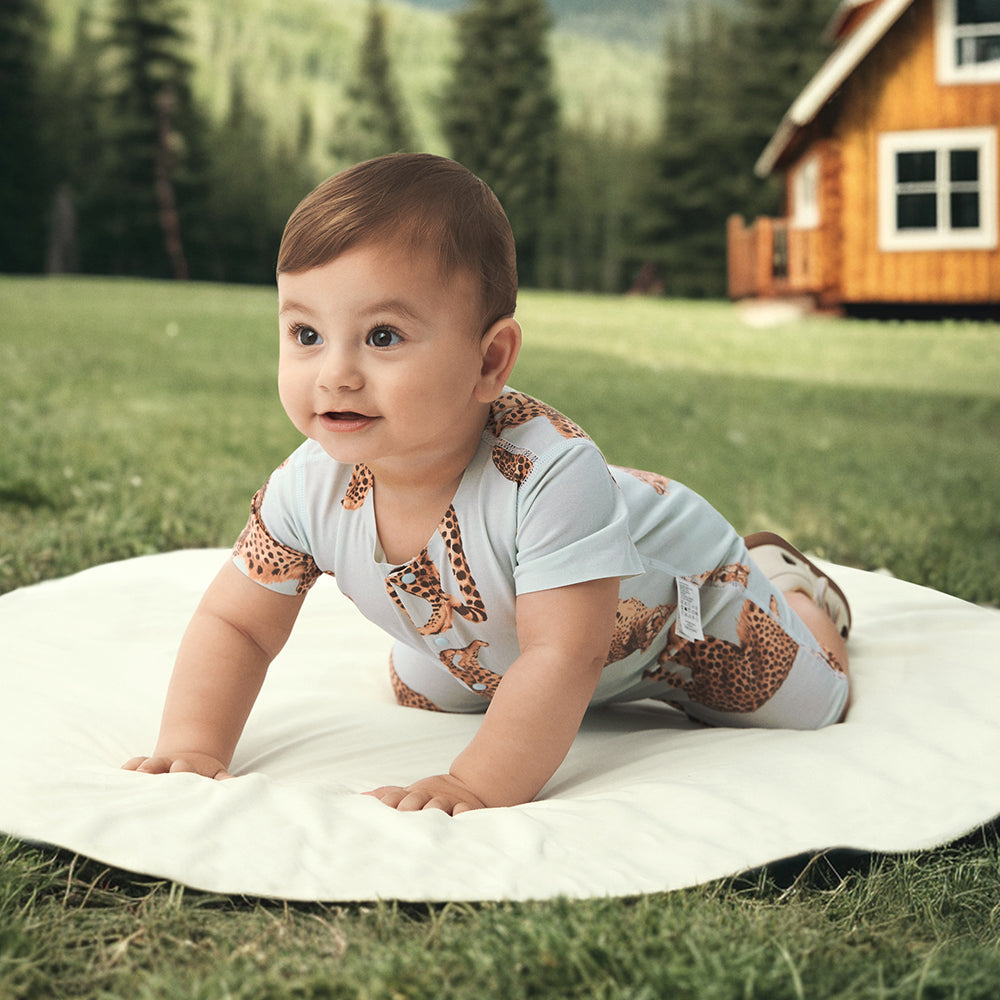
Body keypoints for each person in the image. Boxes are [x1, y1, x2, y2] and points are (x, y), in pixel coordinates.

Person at [123, 153, 851, 814]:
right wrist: (195, 744)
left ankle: (793, 589)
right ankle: (490, 656)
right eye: (306, 334)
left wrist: (476, 782)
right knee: (421, 689)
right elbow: (238, 623)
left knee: (812, 702)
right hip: (506, 630)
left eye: (382, 336)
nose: (334, 373)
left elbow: (566, 655)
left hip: (682, 607)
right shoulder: (307, 484)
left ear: (489, 361)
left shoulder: (551, 476)